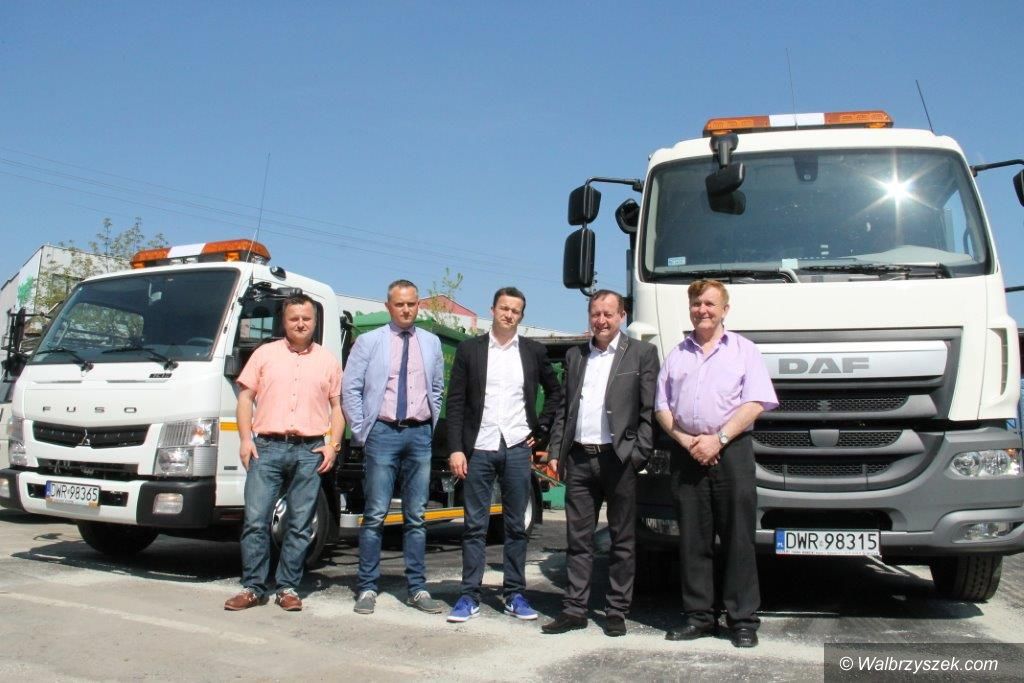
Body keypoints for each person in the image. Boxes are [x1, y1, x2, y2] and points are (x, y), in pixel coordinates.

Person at [655, 279, 777, 648]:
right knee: (693, 539)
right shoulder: (677, 354)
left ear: (725, 309)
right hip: (688, 452)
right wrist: (685, 440)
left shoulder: (744, 350)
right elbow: (662, 407)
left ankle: (742, 621)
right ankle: (699, 617)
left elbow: (756, 402)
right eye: (696, 304)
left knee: (738, 538)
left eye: (709, 304)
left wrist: (718, 439)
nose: (702, 310)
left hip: (732, 451)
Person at [541, 290, 659, 637]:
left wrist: (638, 455)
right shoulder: (576, 355)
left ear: (622, 316)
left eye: (608, 314)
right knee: (578, 540)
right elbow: (565, 409)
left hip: (619, 459)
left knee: (622, 540)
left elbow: (649, 410)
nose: (601, 320)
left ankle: (616, 610)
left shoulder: (641, 354)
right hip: (579, 459)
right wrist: (555, 452)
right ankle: (574, 609)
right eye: (596, 314)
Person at [446, 287, 562, 623]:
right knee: (474, 526)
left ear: (521, 316)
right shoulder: (470, 350)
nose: (509, 314)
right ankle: (469, 595)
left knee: (515, 526)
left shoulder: (533, 351)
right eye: (504, 308)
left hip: (516, 447)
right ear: (493, 310)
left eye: (515, 310)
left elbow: (555, 393)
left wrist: (541, 430)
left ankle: (514, 594)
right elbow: (455, 402)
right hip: (479, 448)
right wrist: (456, 448)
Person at [224, 293, 344, 612]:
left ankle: (288, 587)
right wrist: (245, 440)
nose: (300, 324)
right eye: (294, 318)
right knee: (255, 521)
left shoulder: (328, 360)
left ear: (314, 322)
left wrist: (333, 445)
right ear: (284, 321)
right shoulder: (264, 354)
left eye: (306, 318)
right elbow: (245, 398)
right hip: (267, 448)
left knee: (300, 524)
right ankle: (253, 587)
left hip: (309, 450)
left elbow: (337, 407)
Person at [342, 279, 446, 615]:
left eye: (411, 304)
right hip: (382, 433)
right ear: (388, 306)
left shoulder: (430, 343)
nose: (406, 309)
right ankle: (367, 587)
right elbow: (350, 388)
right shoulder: (369, 342)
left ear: (419, 306)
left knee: (416, 516)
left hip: (419, 435)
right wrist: (363, 431)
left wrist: (428, 426)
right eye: (399, 304)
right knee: (375, 515)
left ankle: (417, 588)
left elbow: (437, 389)